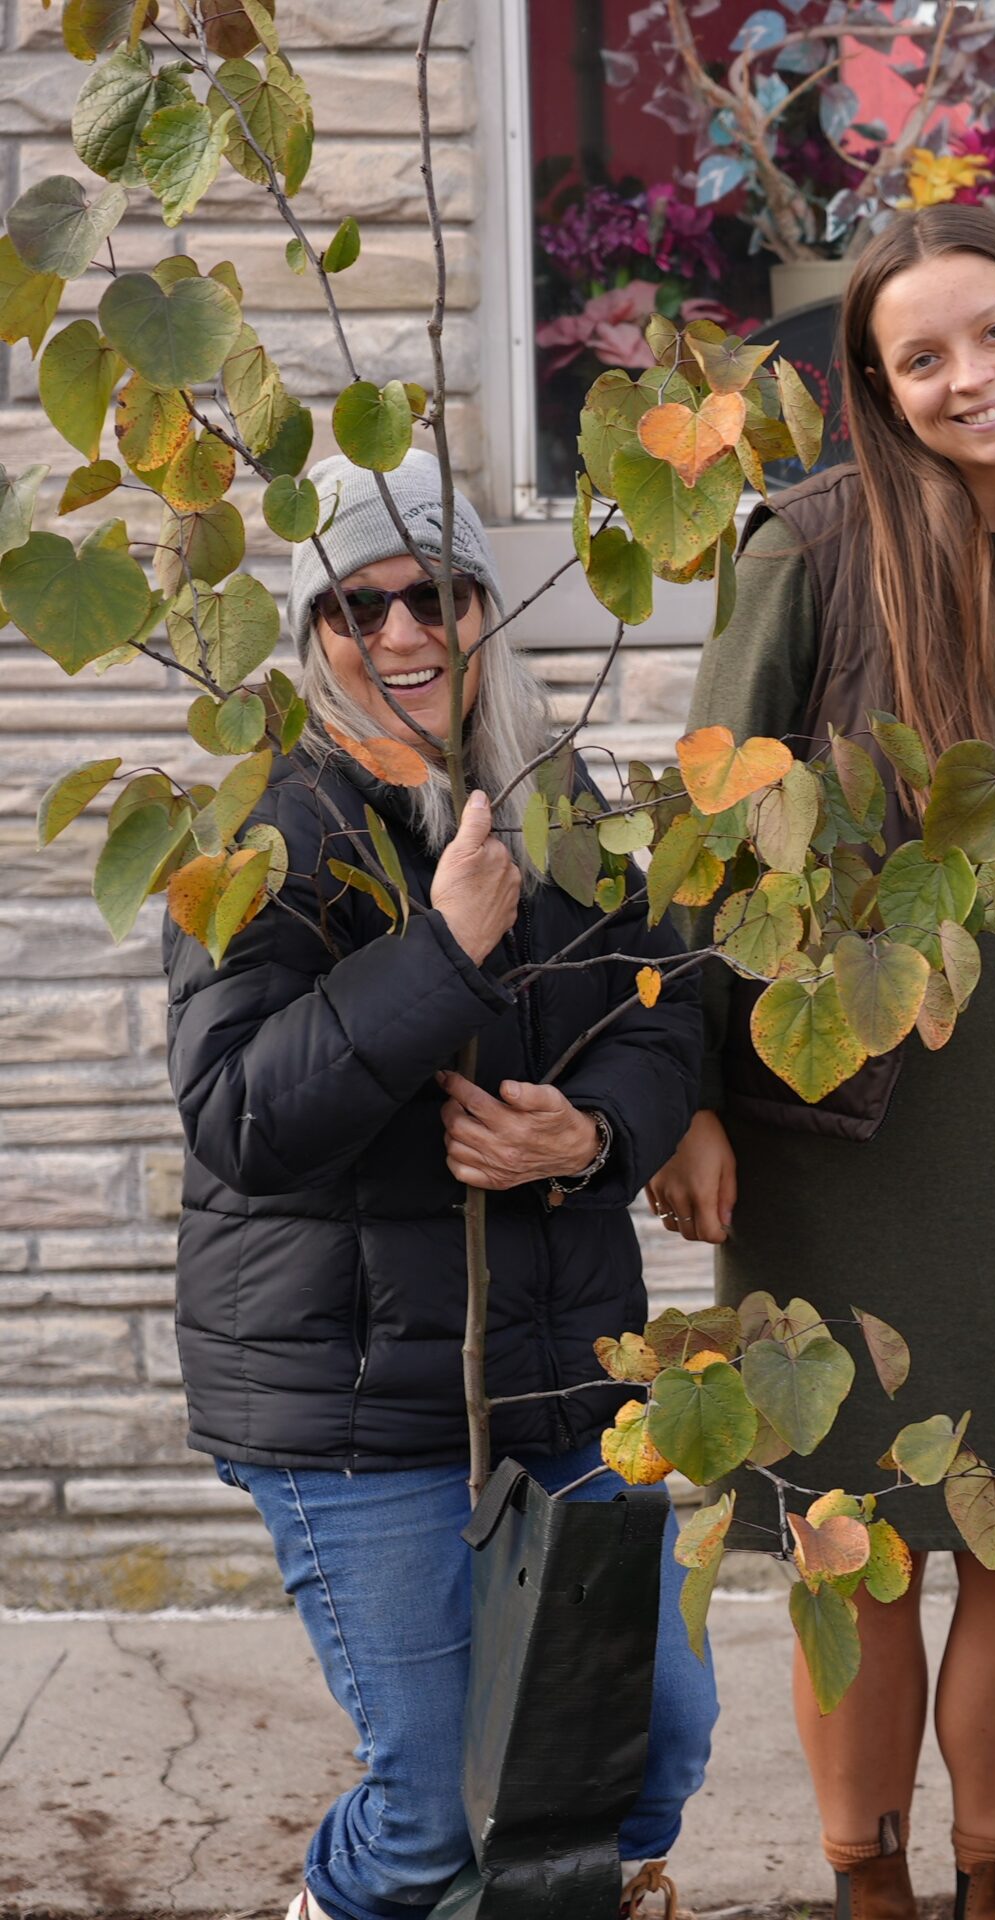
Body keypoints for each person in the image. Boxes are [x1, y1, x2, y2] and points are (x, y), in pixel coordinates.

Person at [645, 202, 995, 1920]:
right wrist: (696, 1097)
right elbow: (705, 846)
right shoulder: (804, 546)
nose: (970, 377)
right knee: (855, 1541)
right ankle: (866, 1882)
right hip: (839, 1135)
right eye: (921, 357)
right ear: (875, 389)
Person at [165, 452, 714, 1920]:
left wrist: (590, 1137)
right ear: (312, 629)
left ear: (486, 607)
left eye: (438, 594)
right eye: (360, 605)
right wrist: (441, 954)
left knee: (654, 1740)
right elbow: (237, 1117)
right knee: (426, 1808)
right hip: (351, 1395)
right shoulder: (266, 827)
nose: (403, 634)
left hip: (563, 1373)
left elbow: (660, 1020)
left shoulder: (567, 797)